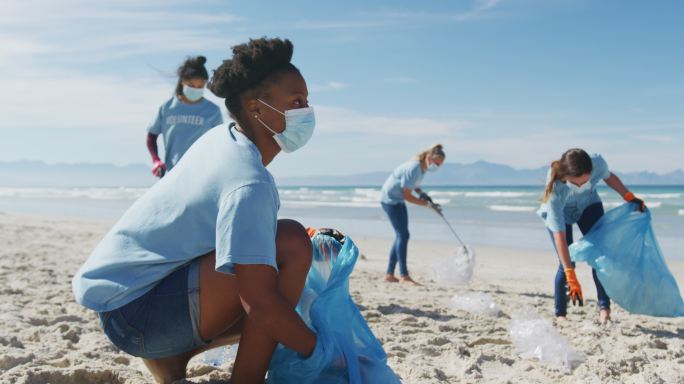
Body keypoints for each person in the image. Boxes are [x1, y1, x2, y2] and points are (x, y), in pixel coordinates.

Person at [73, 38, 319, 384]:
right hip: (138, 319)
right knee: (290, 244)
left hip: (121, 307)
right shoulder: (248, 181)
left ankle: (173, 356)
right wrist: (320, 350)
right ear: (256, 108)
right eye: (296, 102)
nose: (306, 112)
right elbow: (259, 304)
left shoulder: (223, 138)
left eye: (307, 102)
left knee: (277, 253)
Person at [537, 148, 645, 322]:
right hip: (562, 213)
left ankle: (604, 309)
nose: (580, 187)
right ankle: (561, 314)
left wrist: (628, 196)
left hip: (589, 206)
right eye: (575, 184)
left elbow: (610, 178)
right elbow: (560, 237)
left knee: (599, 256)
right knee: (566, 263)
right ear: (565, 177)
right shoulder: (555, 189)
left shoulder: (597, 163)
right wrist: (571, 275)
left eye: (585, 183)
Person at [146, 55, 223, 177]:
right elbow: (151, 136)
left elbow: (220, 142)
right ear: (182, 82)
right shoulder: (167, 108)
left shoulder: (213, 111)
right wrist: (156, 160)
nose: (196, 89)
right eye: (192, 86)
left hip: (202, 174)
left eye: (200, 87)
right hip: (172, 174)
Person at [379, 144, 446, 285]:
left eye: (440, 165)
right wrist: (428, 205)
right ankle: (404, 276)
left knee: (401, 235)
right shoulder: (414, 168)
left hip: (397, 199)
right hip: (390, 200)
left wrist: (422, 194)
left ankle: (390, 274)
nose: (437, 167)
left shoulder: (422, 168)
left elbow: (412, 185)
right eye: (437, 163)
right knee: (403, 235)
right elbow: (407, 196)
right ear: (429, 157)